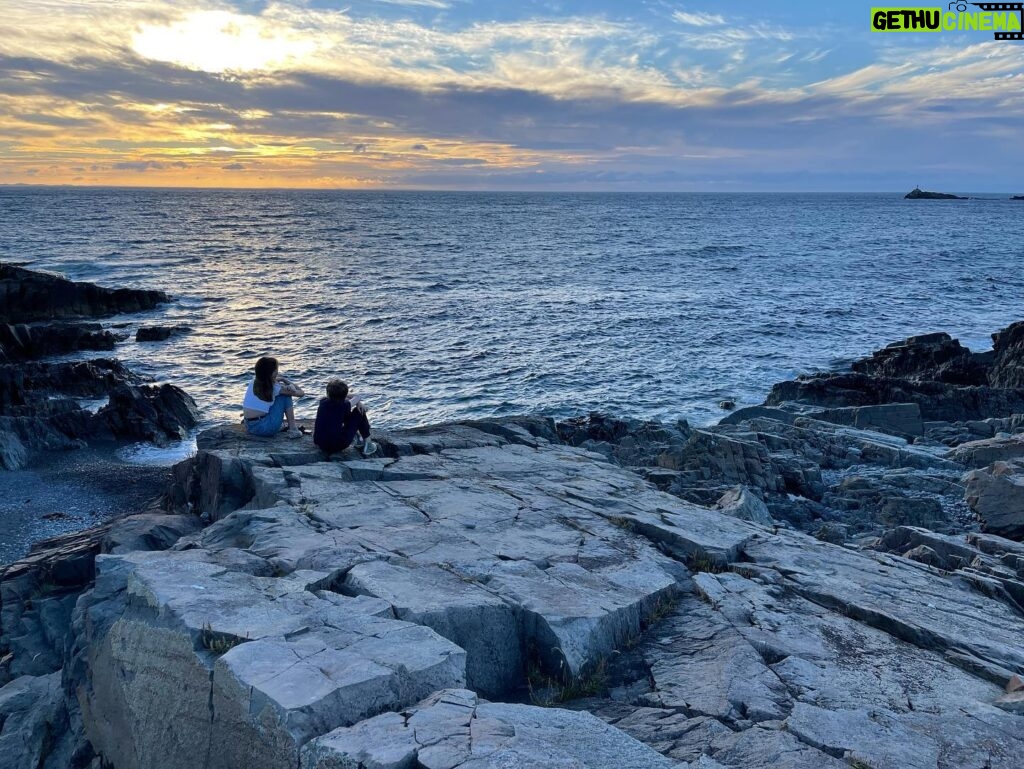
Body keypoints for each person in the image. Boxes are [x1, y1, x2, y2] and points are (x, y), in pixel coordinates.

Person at [242, 356, 305, 438]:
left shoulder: (254, 381)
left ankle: (282, 425)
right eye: (276, 369)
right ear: (272, 373)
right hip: (264, 429)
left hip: (249, 426)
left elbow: (272, 382)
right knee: (285, 396)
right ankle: (293, 429)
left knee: (277, 396)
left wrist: (280, 379)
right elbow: (301, 393)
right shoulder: (275, 387)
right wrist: (285, 380)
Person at [313, 378, 378, 456]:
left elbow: (346, 399)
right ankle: (368, 443)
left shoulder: (323, 402)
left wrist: (357, 403)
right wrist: (359, 403)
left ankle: (357, 439)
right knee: (359, 412)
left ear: (327, 393)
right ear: (344, 394)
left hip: (320, 443)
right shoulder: (344, 405)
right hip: (337, 445)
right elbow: (357, 397)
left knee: (341, 414)